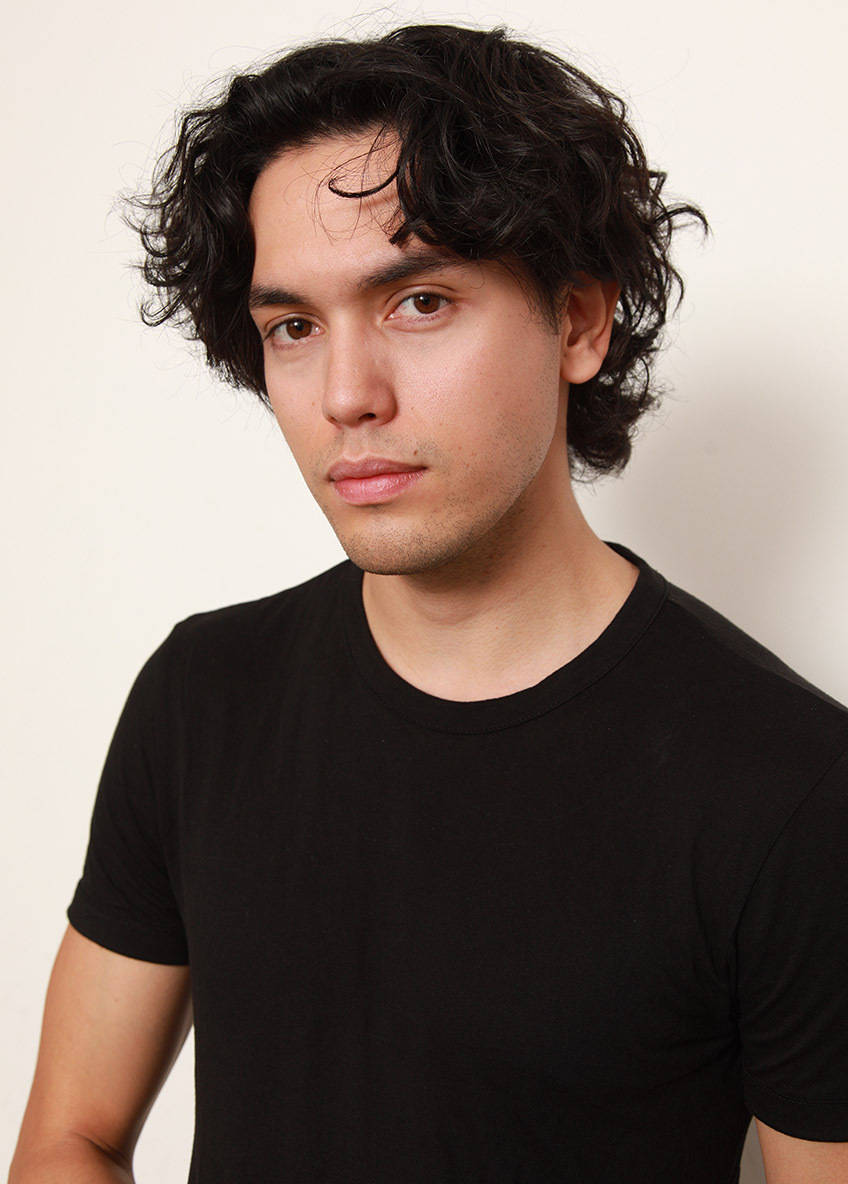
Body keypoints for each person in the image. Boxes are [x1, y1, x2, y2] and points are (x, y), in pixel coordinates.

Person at [9, 23, 848, 1184]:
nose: (345, 395)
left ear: (577, 321)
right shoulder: (202, 696)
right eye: (293, 326)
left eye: (417, 302)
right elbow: (71, 1136)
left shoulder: (791, 787)